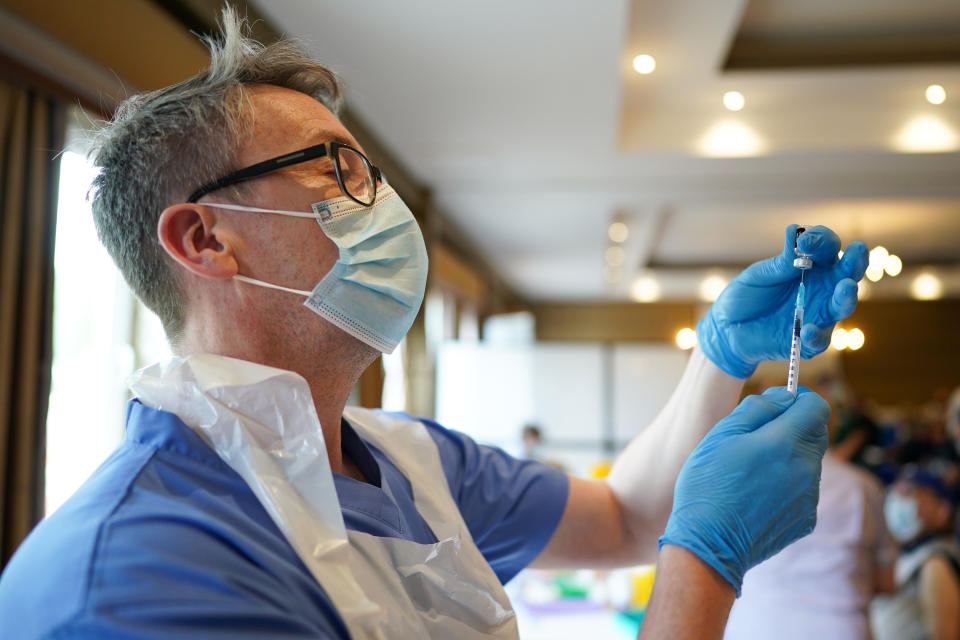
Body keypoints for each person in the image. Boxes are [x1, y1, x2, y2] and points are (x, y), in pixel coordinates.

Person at [0, 9, 867, 639]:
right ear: (205, 238)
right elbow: (666, 537)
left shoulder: (411, 465)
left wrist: (719, 358)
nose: (386, 208)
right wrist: (705, 569)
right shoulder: (141, 574)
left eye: (373, 174)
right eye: (337, 171)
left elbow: (626, 519)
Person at [723, 382, 896, 640]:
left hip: (755, 626)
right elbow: (885, 581)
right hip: (838, 628)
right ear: (832, 425)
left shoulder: (737, 482)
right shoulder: (862, 487)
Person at [871, 466, 960, 640]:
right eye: (897, 489)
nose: (897, 498)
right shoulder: (909, 554)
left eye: (910, 491)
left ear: (942, 509)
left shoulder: (936, 562)